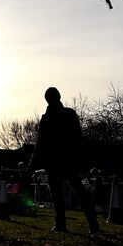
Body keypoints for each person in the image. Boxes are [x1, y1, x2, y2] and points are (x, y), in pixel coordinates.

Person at [28, 87, 100, 235]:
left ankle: (87, 223)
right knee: (64, 193)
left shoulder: (59, 115)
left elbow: (75, 139)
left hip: (63, 160)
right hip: (60, 161)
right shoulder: (54, 116)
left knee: (73, 192)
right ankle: (74, 223)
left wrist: (32, 163)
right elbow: (41, 143)